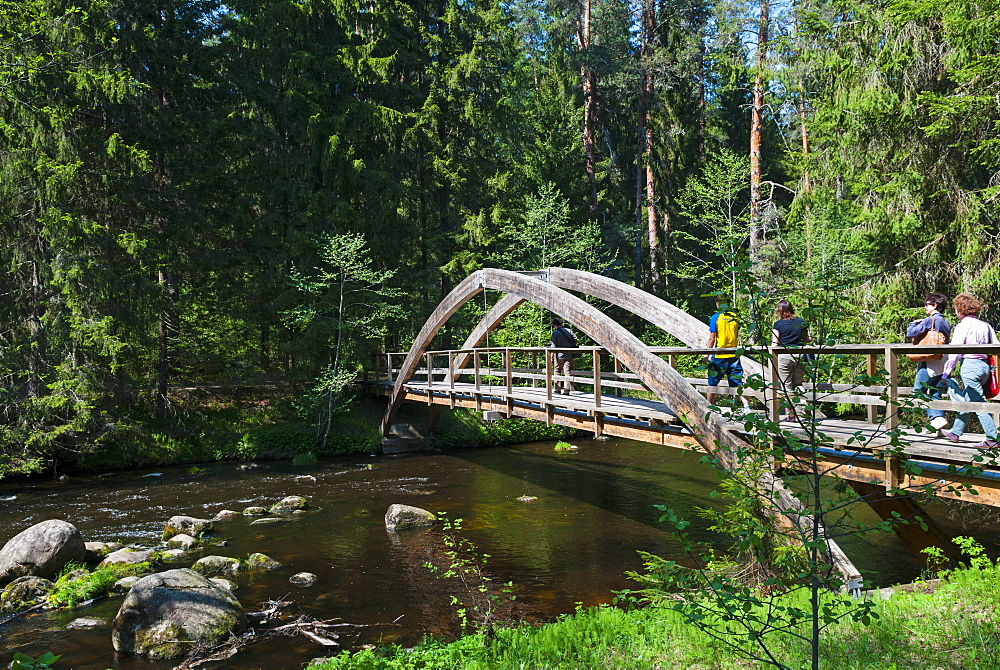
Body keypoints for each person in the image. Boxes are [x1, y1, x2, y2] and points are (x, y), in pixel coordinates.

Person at [940, 292, 998, 448]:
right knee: (968, 399)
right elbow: (996, 345)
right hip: (985, 366)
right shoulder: (985, 325)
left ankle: (992, 438)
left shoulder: (963, 326)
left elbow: (955, 351)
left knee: (978, 404)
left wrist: (946, 373)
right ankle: (955, 432)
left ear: (960, 309)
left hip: (970, 366)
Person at [906, 293, 952, 432]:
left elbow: (910, 333)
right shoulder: (945, 322)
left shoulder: (929, 320)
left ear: (935, 305)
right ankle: (938, 427)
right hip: (943, 360)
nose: (925, 307)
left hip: (929, 360)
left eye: (927, 304)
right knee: (935, 393)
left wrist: (914, 323)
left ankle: (936, 418)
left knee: (918, 391)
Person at [771, 299, 810, 420]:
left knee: (786, 387)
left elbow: (774, 343)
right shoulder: (802, 321)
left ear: (780, 311)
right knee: (798, 384)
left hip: (784, 357)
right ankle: (805, 406)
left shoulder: (778, 324)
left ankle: (792, 415)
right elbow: (809, 339)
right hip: (800, 355)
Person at [705, 297, 744, 405]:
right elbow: (736, 335)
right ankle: (743, 407)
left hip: (719, 355)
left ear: (718, 304)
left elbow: (712, 339)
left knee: (712, 382)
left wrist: (706, 355)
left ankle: (709, 406)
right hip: (733, 354)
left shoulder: (715, 318)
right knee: (737, 382)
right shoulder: (735, 317)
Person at [549, 317, 578, 395]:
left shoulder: (555, 333)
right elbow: (575, 340)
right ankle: (566, 391)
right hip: (569, 354)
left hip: (559, 355)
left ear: (555, 325)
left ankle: (557, 389)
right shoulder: (569, 331)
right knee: (567, 372)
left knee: (557, 371)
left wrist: (551, 357)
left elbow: (553, 346)